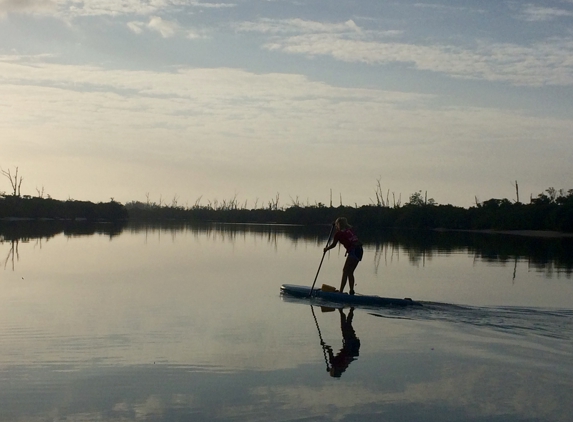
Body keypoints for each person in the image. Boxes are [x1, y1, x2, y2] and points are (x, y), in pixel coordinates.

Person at [323, 217, 363, 295]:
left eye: (337, 224)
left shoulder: (338, 234)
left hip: (354, 251)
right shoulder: (349, 230)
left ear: (338, 224)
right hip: (360, 250)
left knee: (345, 271)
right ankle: (351, 291)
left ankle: (341, 292)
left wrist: (326, 249)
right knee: (350, 272)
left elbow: (334, 245)